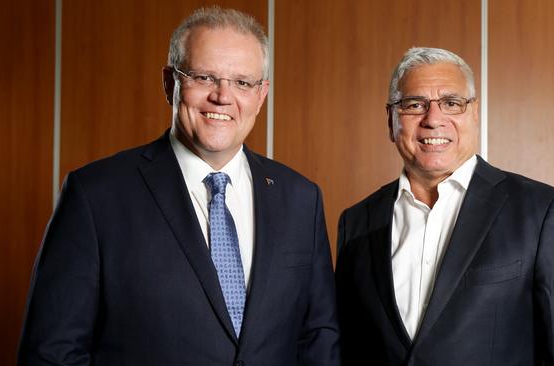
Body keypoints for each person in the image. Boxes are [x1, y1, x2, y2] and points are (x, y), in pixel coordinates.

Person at [18, 6, 339, 366]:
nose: (222, 96)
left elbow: (318, 337)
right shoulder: (95, 196)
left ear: (261, 95)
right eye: (204, 77)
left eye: (242, 82)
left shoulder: (300, 198)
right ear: (170, 83)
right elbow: (51, 354)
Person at [335, 47, 554, 365]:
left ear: (474, 114)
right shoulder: (356, 222)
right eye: (414, 105)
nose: (433, 119)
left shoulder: (542, 212)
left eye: (451, 103)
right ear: (391, 120)